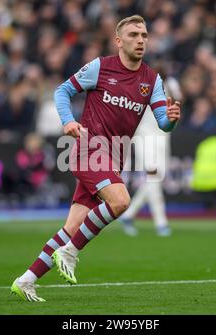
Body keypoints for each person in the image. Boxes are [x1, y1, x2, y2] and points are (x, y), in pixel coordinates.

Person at [11, 15, 181, 302]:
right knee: (121, 201)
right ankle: (71, 252)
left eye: (144, 35)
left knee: (72, 227)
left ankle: (25, 280)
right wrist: (68, 120)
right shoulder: (101, 67)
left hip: (114, 158)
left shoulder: (152, 80)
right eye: (133, 35)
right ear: (118, 41)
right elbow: (62, 90)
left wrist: (172, 120)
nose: (140, 40)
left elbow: (163, 121)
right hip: (88, 149)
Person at [119, 69, 183, 236]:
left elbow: (179, 101)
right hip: (144, 137)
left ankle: (129, 214)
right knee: (154, 177)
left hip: (162, 137)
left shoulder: (169, 85)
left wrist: (171, 85)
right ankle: (161, 223)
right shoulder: (140, 86)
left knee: (157, 179)